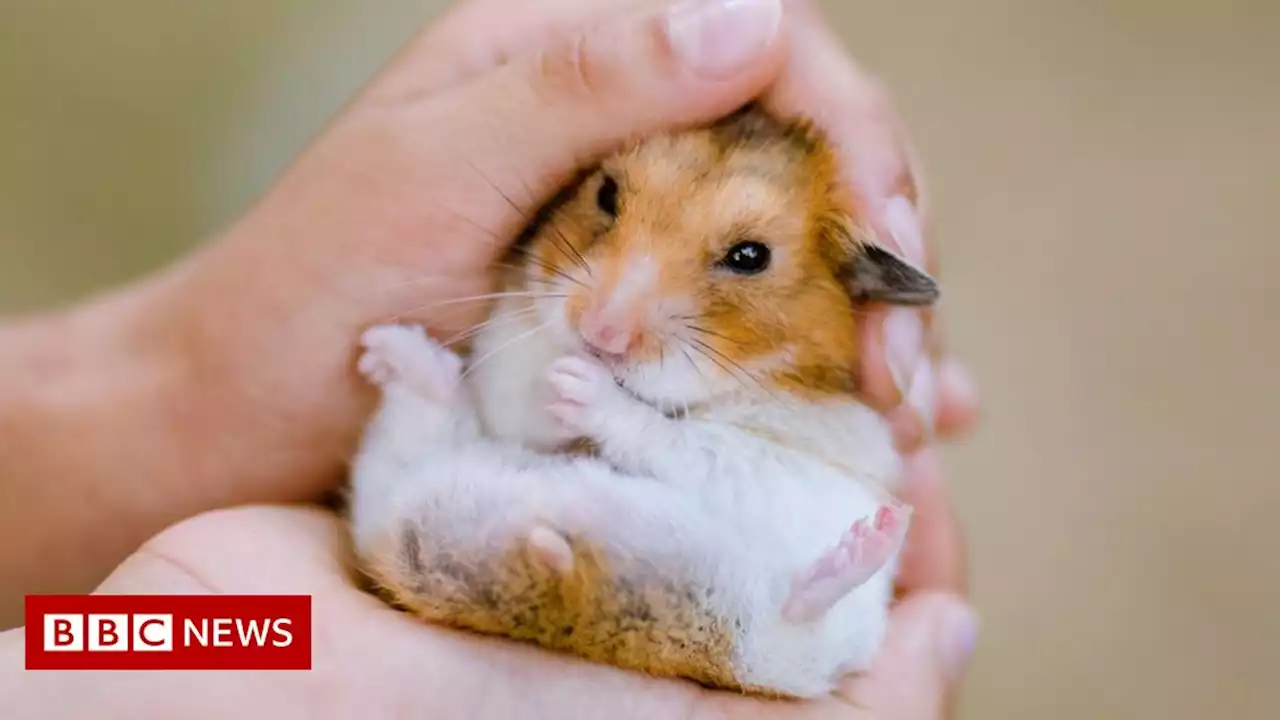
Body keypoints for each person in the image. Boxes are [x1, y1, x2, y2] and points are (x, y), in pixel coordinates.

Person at [0, 0, 982, 717]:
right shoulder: (223, 628)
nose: (609, 316)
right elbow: (147, 650)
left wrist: (113, 655)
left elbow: (134, 645)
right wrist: (113, 665)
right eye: (605, 203)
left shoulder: (210, 627)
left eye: (740, 258)